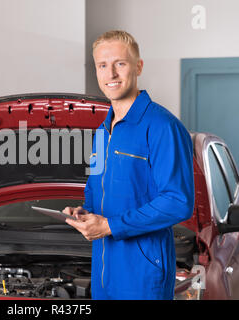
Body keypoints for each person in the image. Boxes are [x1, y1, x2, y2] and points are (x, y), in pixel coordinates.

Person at [63, 30, 194, 300]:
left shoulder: (162, 126)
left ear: (138, 66)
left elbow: (177, 201)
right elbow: (94, 191)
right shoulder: (102, 132)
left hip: (143, 272)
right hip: (103, 268)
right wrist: (83, 213)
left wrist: (110, 226)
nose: (110, 74)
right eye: (102, 65)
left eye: (119, 64)